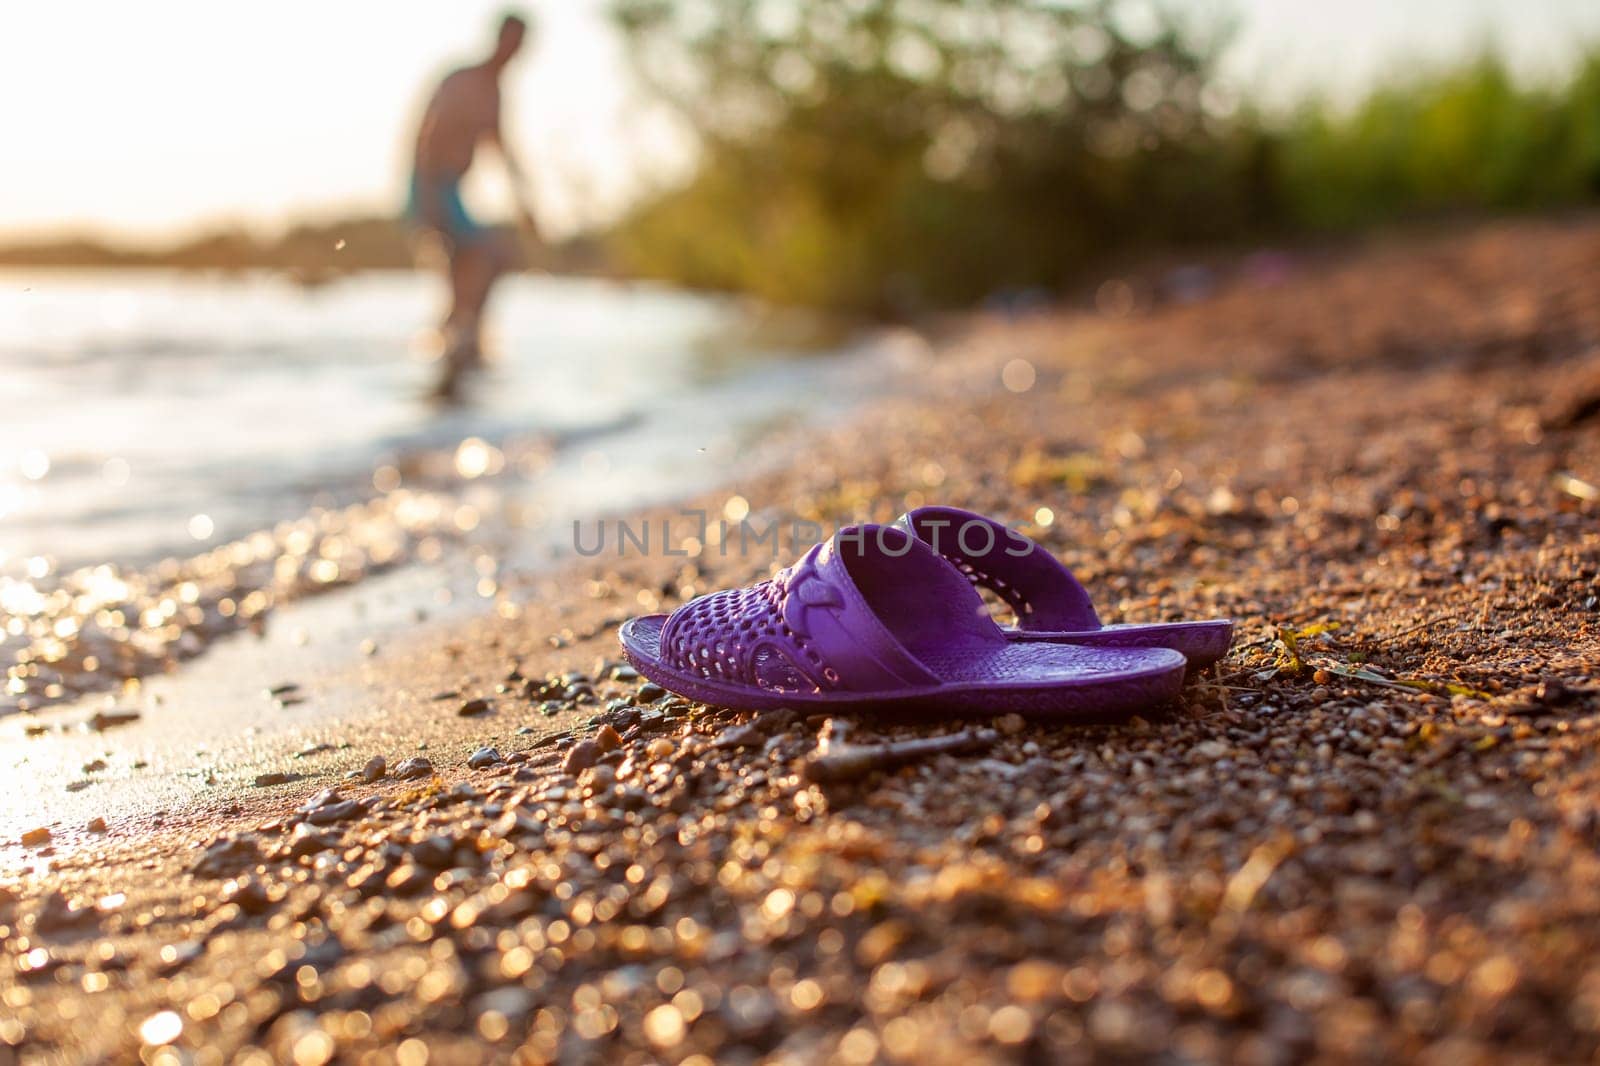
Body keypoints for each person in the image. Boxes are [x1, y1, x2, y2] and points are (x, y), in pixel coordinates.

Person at [407, 13, 540, 399]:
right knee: (486, 254)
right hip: (432, 185)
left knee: (481, 263)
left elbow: (503, 151)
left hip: (454, 191)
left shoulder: (496, 93)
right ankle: (458, 338)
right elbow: (426, 136)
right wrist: (429, 198)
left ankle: (458, 336)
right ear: (499, 38)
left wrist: (526, 205)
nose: (514, 51)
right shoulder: (462, 80)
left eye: (521, 44)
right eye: (511, 40)